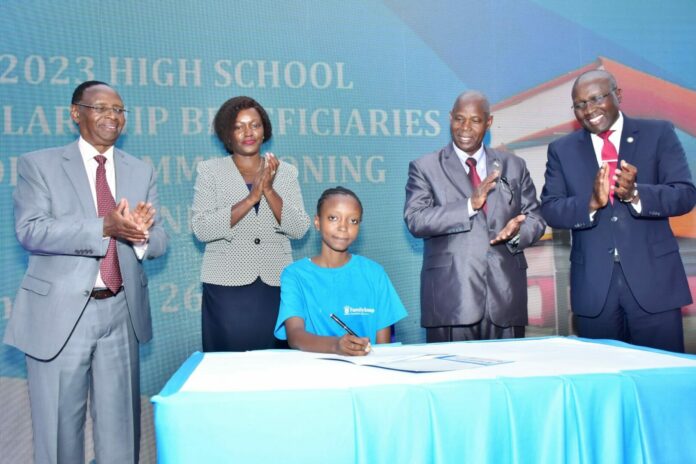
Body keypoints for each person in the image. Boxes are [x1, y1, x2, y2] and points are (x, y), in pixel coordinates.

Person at [3, 81, 168, 463]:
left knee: (121, 433)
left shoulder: (140, 171)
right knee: (59, 431)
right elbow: (31, 229)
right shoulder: (39, 165)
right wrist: (103, 227)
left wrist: (139, 236)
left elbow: (160, 240)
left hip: (120, 312)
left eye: (119, 110)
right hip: (59, 317)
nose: (112, 116)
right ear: (75, 113)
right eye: (101, 108)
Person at [540, 70, 696, 352]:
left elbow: (684, 195)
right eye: (580, 104)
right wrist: (589, 203)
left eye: (596, 99)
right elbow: (551, 209)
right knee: (604, 382)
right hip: (594, 291)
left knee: (658, 379)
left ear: (618, 95)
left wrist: (637, 194)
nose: (589, 110)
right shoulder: (562, 150)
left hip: (654, 285)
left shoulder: (658, 133)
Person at [404, 91, 546, 343]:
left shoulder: (514, 165)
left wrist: (516, 235)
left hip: (506, 297)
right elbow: (416, 219)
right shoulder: (425, 167)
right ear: (449, 118)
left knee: (507, 380)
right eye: (459, 119)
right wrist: (469, 205)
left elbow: (535, 219)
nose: (465, 128)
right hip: (451, 300)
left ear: (488, 122)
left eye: (475, 120)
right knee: (454, 380)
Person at [192, 96, 310, 352]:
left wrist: (269, 190)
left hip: (275, 285)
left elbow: (299, 228)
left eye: (255, 125)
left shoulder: (286, 172)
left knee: (275, 366)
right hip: (226, 288)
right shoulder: (210, 171)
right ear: (227, 133)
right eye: (239, 126)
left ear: (264, 130)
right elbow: (201, 228)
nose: (248, 132)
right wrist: (251, 199)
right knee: (230, 368)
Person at [274, 187, 407, 355]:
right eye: (333, 218)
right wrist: (336, 346)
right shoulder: (294, 274)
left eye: (353, 221)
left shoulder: (375, 273)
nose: (343, 227)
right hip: (314, 373)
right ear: (317, 222)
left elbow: (383, 347)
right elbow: (295, 336)